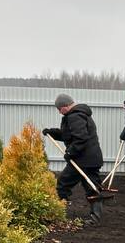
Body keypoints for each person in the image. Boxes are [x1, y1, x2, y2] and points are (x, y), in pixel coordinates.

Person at [42, 93, 105, 226]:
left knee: (62, 184)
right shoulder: (80, 114)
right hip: (90, 159)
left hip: (83, 160)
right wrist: (53, 132)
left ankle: (56, 212)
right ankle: (96, 217)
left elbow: (81, 138)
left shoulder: (75, 116)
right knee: (92, 186)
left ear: (65, 106)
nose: (59, 112)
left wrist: (70, 152)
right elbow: (70, 135)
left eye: (59, 109)